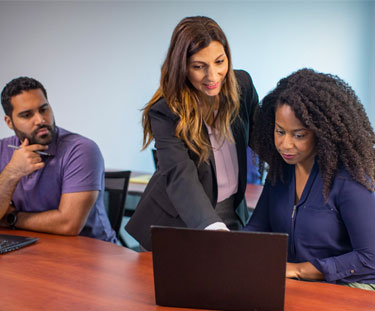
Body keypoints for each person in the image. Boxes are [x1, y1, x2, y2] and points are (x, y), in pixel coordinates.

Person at [125, 16, 259, 250]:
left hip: (231, 215)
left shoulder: (242, 85)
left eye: (219, 62)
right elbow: (180, 174)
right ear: (182, 67)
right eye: (199, 67)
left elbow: (263, 139)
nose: (213, 76)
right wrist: (213, 227)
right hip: (178, 222)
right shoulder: (167, 111)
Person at [244, 68, 375, 290]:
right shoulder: (281, 172)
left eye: (299, 135)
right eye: (280, 131)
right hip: (295, 285)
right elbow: (257, 228)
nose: (285, 144)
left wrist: (298, 269)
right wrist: (231, 252)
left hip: (348, 286)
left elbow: (370, 259)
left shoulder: (349, 180)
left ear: (321, 133)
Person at [0, 77, 116, 243]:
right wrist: (12, 172)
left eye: (43, 109)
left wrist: (12, 218)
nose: (40, 120)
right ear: (9, 122)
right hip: (32, 250)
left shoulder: (81, 149)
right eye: (27, 115)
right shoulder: (2, 149)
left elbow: (69, 224)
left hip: (91, 253)